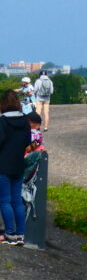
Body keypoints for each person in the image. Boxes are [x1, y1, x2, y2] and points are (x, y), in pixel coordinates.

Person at [0, 89, 32, 246]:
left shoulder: (3, 121)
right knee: (17, 201)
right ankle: (21, 234)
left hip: (3, 166)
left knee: (4, 201)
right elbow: (28, 141)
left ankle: (9, 234)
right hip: (19, 165)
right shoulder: (25, 121)